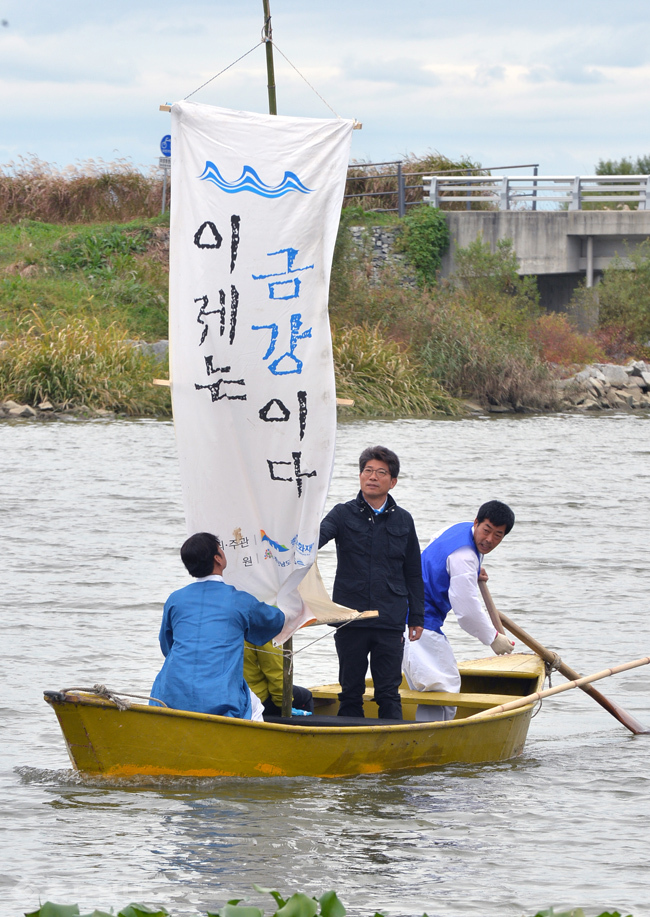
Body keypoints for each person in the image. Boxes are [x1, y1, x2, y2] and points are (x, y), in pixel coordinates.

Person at [318, 445, 424, 720]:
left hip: (390, 618)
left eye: (380, 472)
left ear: (393, 481)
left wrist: (417, 616)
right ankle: (346, 748)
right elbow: (315, 538)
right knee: (350, 691)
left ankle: (395, 748)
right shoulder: (342, 513)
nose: (372, 477)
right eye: (367, 471)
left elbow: (413, 571)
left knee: (388, 691)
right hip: (351, 616)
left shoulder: (404, 519)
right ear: (360, 476)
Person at [150, 532, 285, 720]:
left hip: (168, 693)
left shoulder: (175, 599)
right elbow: (275, 620)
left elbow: (167, 646)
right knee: (256, 709)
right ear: (218, 558)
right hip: (219, 697)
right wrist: (286, 600)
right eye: (221, 548)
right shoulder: (239, 599)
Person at [402, 500, 516, 722]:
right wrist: (492, 637)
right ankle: (431, 738)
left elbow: (439, 555)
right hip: (419, 621)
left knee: (435, 682)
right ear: (477, 522)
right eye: (486, 531)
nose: (489, 540)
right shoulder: (465, 557)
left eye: (498, 535)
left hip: (404, 610)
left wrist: (473, 571)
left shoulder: (459, 529)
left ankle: (429, 734)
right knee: (441, 684)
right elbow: (466, 609)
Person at [244, 640, 314, 717]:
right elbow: (275, 671)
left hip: (232, 695)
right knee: (306, 696)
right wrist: (284, 703)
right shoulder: (264, 631)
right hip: (252, 698)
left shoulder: (232, 630)